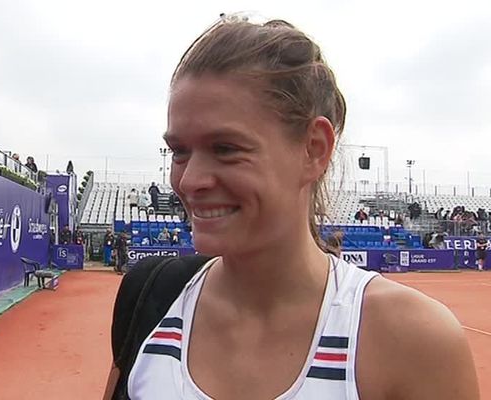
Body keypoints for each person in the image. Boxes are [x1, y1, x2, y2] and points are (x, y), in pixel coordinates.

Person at [104, 16, 479, 400]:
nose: (189, 180)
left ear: (313, 149)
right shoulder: (150, 297)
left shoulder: (415, 341)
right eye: (180, 151)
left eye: (226, 149)